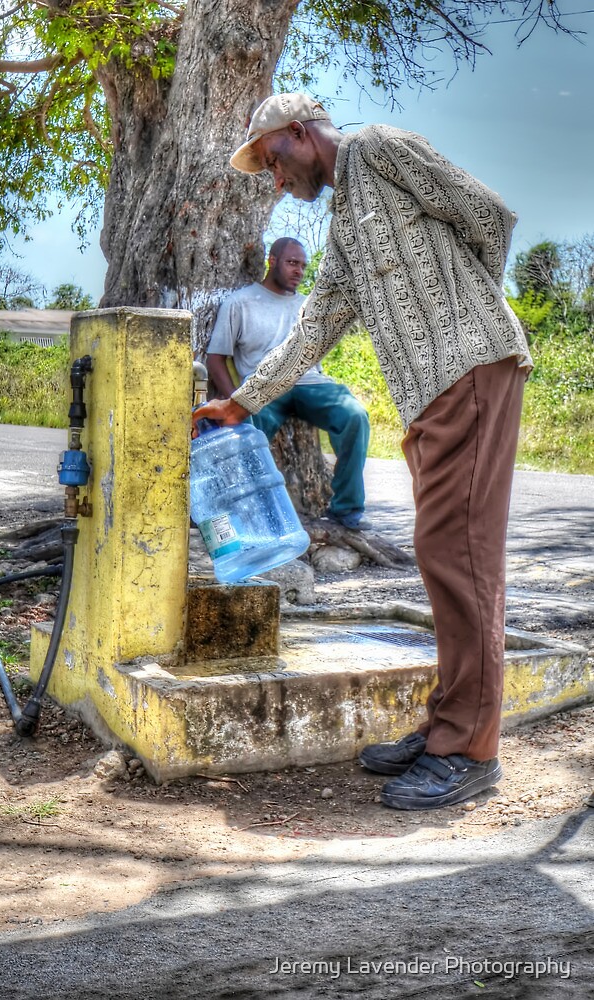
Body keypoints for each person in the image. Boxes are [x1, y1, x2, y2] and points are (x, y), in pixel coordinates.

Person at [192, 92, 532, 811]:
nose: (275, 180)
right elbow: (314, 327)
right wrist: (241, 401)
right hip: (435, 393)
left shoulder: (378, 147)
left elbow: (489, 217)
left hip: (470, 372)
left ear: (296, 133)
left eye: (273, 162)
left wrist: (469, 320)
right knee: (446, 555)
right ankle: (450, 721)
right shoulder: (345, 219)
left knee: (457, 554)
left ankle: (470, 749)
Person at [206, 236, 371, 530]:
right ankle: (250, 516)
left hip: (309, 383)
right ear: (272, 260)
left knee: (355, 416)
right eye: (292, 263)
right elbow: (216, 359)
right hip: (264, 387)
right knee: (249, 431)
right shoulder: (240, 303)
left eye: (303, 266)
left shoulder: (308, 306)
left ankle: (346, 509)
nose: (298, 271)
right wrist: (235, 401)